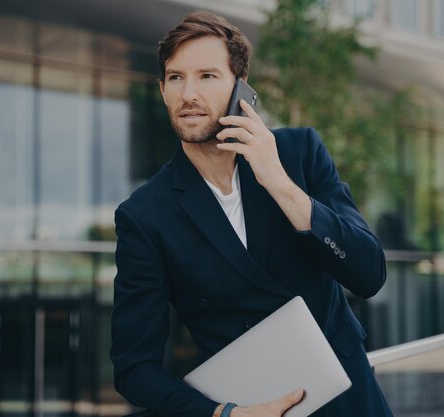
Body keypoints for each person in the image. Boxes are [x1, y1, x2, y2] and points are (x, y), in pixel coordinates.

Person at [110, 10, 393, 417]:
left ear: (240, 89)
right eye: (176, 77)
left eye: (207, 76)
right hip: (247, 408)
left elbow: (369, 275)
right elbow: (135, 368)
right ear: (162, 89)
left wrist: (278, 181)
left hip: (348, 398)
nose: (188, 93)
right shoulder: (145, 214)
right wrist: (222, 414)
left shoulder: (299, 153)